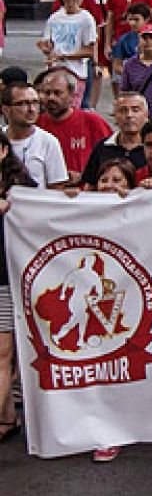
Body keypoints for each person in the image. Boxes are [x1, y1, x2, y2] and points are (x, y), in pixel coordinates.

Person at [0, 135, 36, 445]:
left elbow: (45, 209)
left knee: (3, 353)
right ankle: (8, 418)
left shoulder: (21, 185)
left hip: (7, 276)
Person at [35, 66, 111, 183]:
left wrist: (85, 177)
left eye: (57, 93)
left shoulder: (93, 122)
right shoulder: (35, 125)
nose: (51, 98)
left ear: (71, 95)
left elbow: (112, 160)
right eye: (47, 93)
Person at [38, 0, 99, 107]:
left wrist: (65, 55)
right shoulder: (54, 18)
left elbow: (89, 50)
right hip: (55, 73)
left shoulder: (86, 18)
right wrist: (46, 49)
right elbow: (48, 45)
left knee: (71, 113)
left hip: (75, 75)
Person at [4, 82, 67, 188]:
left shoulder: (49, 142)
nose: (31, 109)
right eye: (22, 103)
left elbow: (57, 189)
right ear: (6, 109)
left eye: (35, 103)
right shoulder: (2, 139)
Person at [81, 91, 149, 186]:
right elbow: (90, 183)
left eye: (135, 110)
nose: (129, 115)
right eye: (123, 110)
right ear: (114, 116)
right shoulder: (102, 147)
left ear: (146, 115)